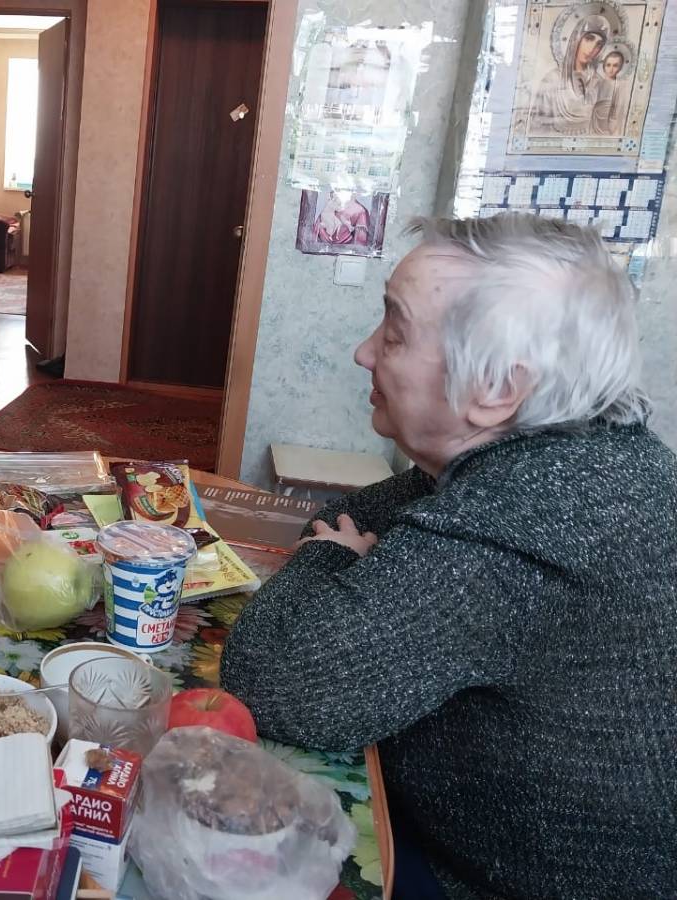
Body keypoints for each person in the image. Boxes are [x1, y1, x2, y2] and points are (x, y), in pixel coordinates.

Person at [221, 213, 677, 899]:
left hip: (489, 880)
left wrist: (327, 559)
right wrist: (344, 547)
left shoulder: (526, 514)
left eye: (394, 333)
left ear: (497, 391)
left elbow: (275, 683)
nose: (364, 353)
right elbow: (350, 516)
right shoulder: (579, 452)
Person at [528, 15, 611, 135]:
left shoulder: (601, 84)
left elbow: (605, 129)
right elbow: (537, 128)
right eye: (589, 39)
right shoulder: (552, 80)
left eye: (598, 44)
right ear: (576, 39)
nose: (592, 48)